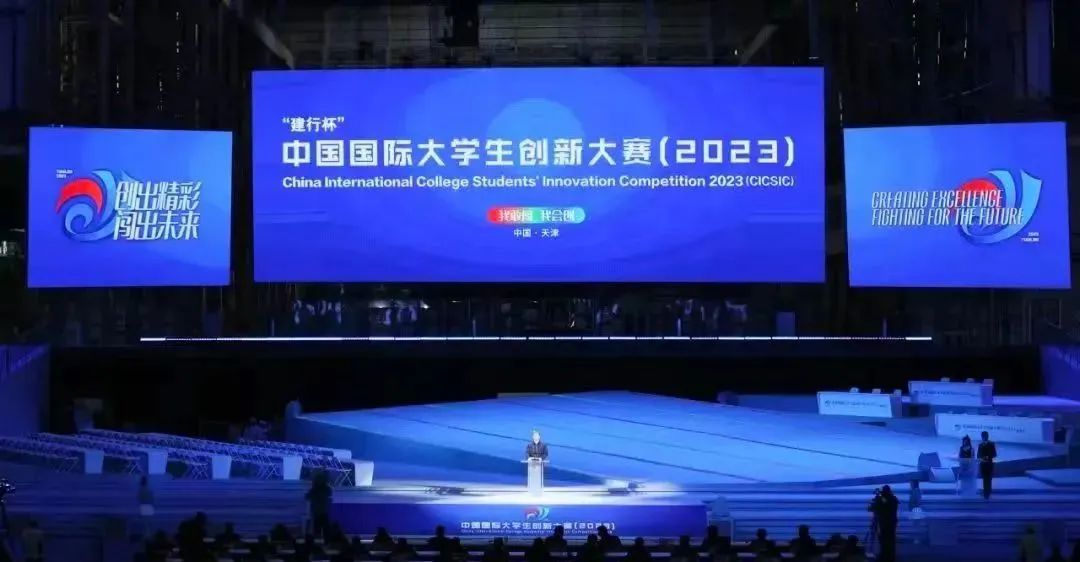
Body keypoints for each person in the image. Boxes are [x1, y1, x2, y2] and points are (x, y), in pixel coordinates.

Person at [870, 486, 899, 562]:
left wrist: (877, 498)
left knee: (884, 541)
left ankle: (884, 557)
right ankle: (891, 557)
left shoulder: (883, 499)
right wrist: (879, 497)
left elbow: (872, 508)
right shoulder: (893, 498)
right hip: (892, 523)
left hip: (884, 523)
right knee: (891, 541)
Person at [305, 471, 333, 539]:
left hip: (318, 511)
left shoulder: (315, 490)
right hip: (322, 511)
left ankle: (319, 540)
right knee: (324, 529)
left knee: (318, 529)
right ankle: (325, 541)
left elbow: (307, 497)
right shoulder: (325, 489)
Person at [978, 431, 998, 499]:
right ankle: (985, 493)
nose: (984, 437)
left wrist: (987, 457)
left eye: (985, 436)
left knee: (989, 479)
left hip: (989, 464)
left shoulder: (991, 444)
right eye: (983, 436)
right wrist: (981, 458)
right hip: (983, 464)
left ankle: (988, 493)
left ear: (987, 436)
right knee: (984, 479)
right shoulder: (980, 445)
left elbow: (994, 454)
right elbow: (978, 455)